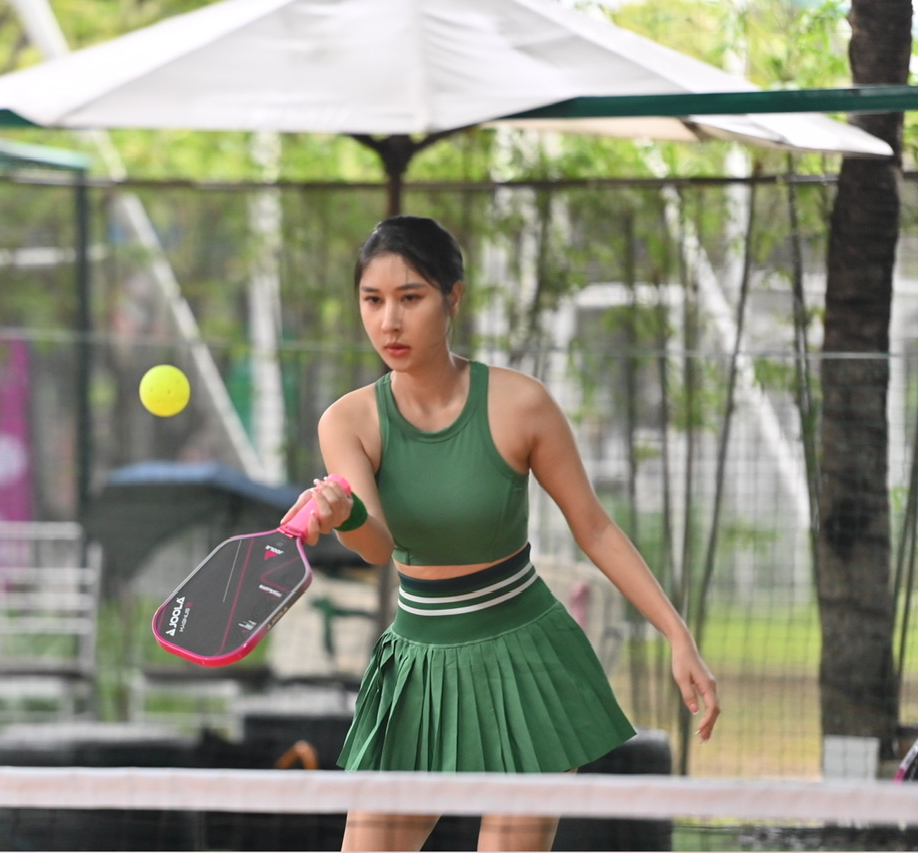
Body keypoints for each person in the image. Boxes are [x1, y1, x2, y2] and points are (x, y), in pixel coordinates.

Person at [281, 215, 720, 852]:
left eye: (411, 298)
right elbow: (377, 545)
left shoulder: (521, 405)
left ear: (453, 297)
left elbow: (594, 528)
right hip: (417, 670)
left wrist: (677, 634)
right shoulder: (347, 420)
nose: (389, 323)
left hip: (525, 662)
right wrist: (344, 515)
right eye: (372, 301)